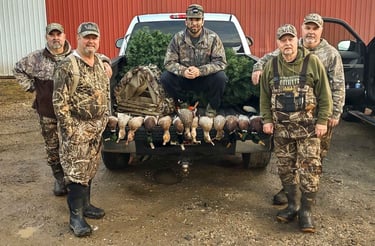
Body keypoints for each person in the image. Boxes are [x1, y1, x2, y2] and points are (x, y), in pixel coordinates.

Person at [252, 13, 345, 205]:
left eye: (315, 28)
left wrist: (334, 113)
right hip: (292, 115)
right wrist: (257, 68)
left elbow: (337, 85)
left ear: (321, 30)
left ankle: (307, 196)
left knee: (314, 157)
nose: (311, 32)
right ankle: (290, 192)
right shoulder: (292, 45)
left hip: (318, 114)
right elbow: (267, 59)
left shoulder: (330, 54)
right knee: (289, 156)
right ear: (302, 29)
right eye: (308, 28)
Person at [259, 24, 333, 232]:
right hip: (282, 131)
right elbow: (264, 97)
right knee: (285, 169)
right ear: (278, 43)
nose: (287, 43)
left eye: (290, 39)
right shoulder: (271, 66)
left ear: (296, 40)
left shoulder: (312, 62)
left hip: (308, 130)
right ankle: (293, 205)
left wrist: (322, 121)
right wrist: (267, 120)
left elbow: (325, 96)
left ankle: (306, 211)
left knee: (310, 170)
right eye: (283, 40)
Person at [53, 22, 110, 237]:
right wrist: (69, 131)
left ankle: (86, 205)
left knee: (90, 168)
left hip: (96, 128)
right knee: (76, 173)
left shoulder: (98, 62)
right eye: (87, 37)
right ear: (78, 37)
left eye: (94, 37)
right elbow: (59, 101)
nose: (91, 41)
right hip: (77, 128)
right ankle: (76, 218)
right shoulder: (67, 65)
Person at [13, 23, 72, 196]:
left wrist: (106, 62)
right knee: (52, 147)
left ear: (64, 36)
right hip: (47, 112)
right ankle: (59, 179)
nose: (55, 37)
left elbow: (97, 59)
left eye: (58, 34)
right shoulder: (36, 58)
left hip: (70, 113)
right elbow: (18, 69)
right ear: (47, 37)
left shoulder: (74, 57)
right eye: (51, 34)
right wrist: (31, 87)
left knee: (70, 146)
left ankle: (71, 179)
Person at [160, 3, 228, 117]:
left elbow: (220, 62)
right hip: (184, 79)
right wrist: (183, 71)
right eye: (191, 19)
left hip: (204, 78)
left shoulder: (213, 38)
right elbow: (168, 62)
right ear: (186, 21)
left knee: (221, 77)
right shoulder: (177, 38)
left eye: (197, 19)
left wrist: (200, 71)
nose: (194, 23)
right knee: (166, 77)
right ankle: (183, 103)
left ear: (203, 21)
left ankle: (212, 107)